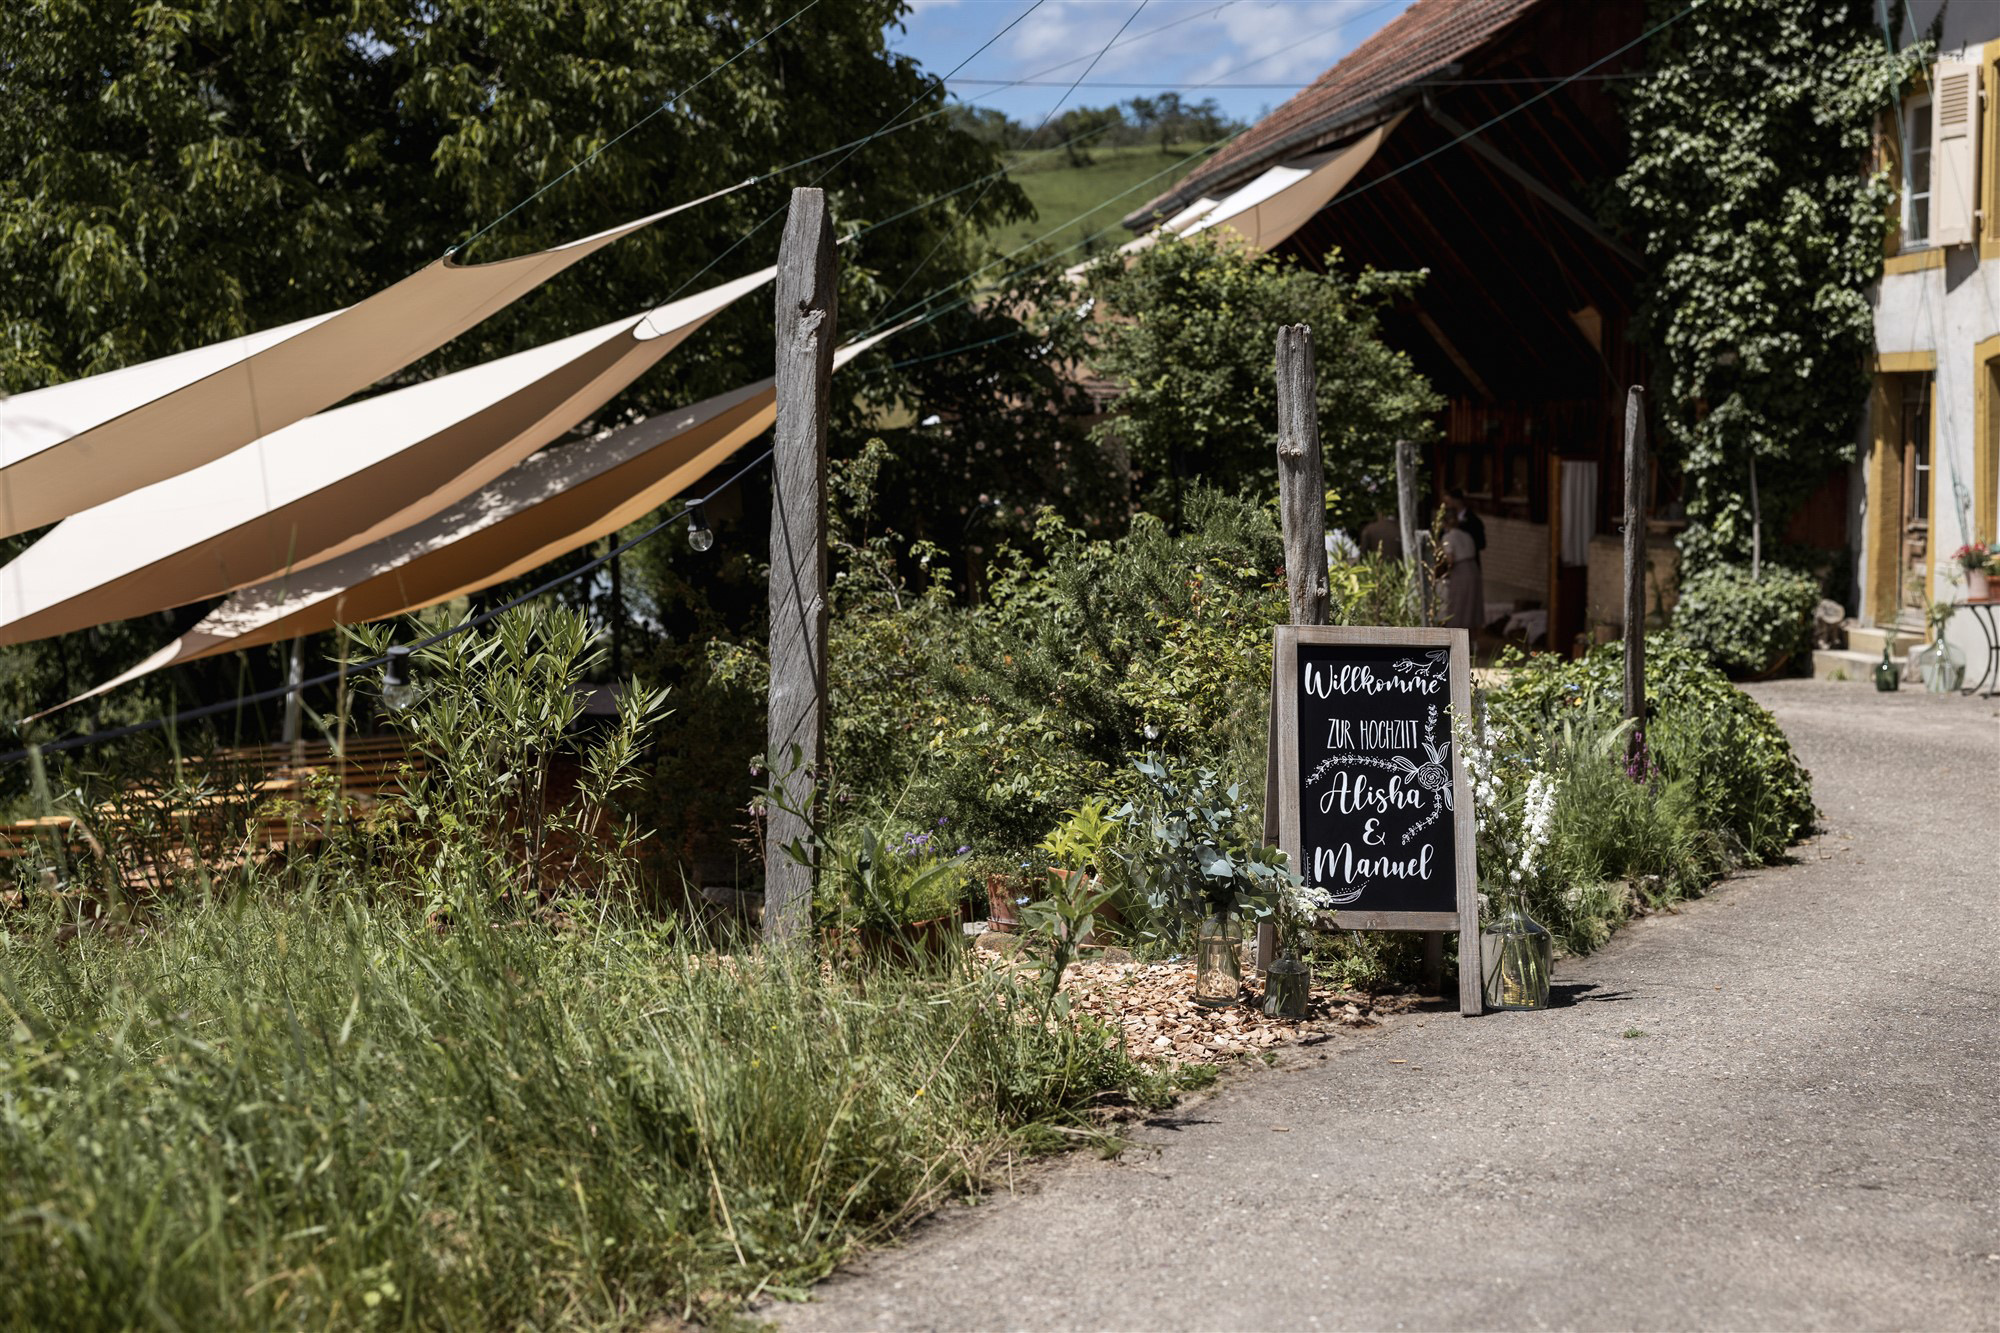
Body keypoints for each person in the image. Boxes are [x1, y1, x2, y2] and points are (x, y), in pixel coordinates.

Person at [1438, 505, 1483, 633]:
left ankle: (1458, 634)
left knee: (1459, 604)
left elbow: (1450, 559)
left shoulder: (1448, 537)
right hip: (1473, 569)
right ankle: (1474, 637)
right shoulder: (1467, 535)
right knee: (1472, 603)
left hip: (1460, 570)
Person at [1443, 484, 1486, 555]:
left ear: (1456, 500)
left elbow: (1481, 544)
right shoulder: (1447, 517)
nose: (1446, 506)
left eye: (1448, 502)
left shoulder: (1473, 520)